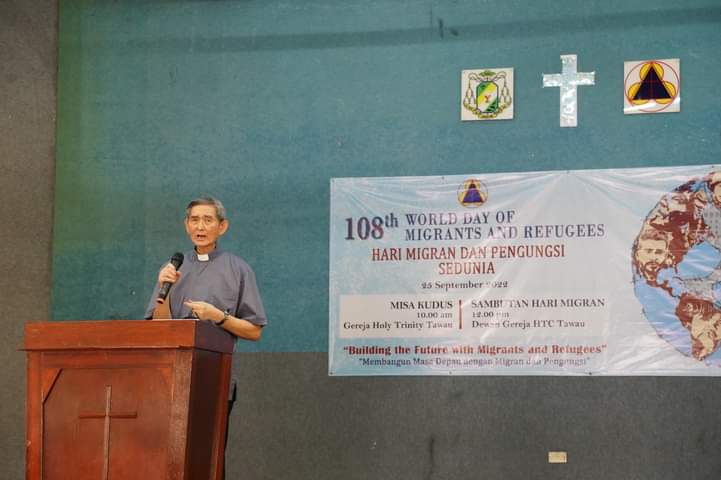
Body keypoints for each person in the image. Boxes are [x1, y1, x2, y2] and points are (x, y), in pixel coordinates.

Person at [144, 196, 266, 341]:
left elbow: (254, 332)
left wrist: (218, 316)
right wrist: (164, 290)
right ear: (187, 225)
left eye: (208, 220)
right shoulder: (171, 268)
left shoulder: (239, 269)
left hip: (216, 352)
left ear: (222, 226)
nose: (200, 227)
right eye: (194, 220)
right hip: (173, 351)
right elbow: (158, 327)